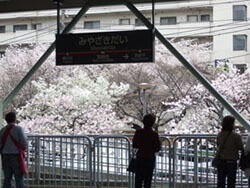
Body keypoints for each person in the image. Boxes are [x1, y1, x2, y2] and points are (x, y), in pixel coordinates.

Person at [132, 114, 161, 188]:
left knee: (138, 180)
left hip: (140, 157)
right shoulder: (154, 134)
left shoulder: (138, 132)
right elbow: (157, 148)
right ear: (153, 123)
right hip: (150, 158)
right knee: (147, 180)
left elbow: (134, 145)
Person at [0, 112, 28, 188]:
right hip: (16, 156)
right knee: (19, 179)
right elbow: (24, 142)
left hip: (5, 156)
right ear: (15, 120)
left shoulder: (2, 130)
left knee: (7, 178)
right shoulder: (19, 129)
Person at [216, 115, 243, 188]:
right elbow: (240, 147)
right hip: (231, 161)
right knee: (231, 182)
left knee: (220, 181)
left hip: (221, 161)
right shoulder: (235, 136)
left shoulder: (219, 135)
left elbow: (218, 144)